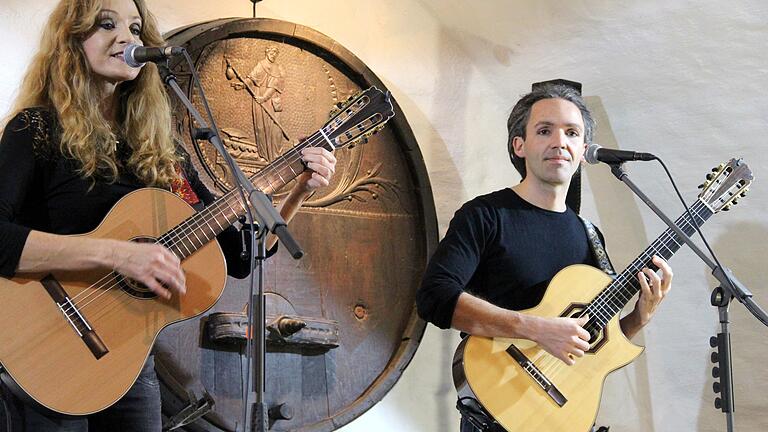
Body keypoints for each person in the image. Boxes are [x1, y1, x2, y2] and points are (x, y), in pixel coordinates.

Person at [0, 0, 336, 430]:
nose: (127, 38)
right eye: (107, 25)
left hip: (128, 361)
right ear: (71, 42)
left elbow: (238, 255)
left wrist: (298, 192)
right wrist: (117, 256)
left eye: (137, 30)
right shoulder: (38, 130)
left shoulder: (162, 153)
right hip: (45, 348)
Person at [416, 84, 673, 432]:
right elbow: (434, 297)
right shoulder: (485, 215)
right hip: (494, 412)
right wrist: (537, 329)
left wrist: (639, 318)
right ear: (519, 145)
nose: (559, 142)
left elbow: (590, 343)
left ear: (584, 151)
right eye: (544, 130)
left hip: (559, 417)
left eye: (571, 133)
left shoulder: (590, 235)